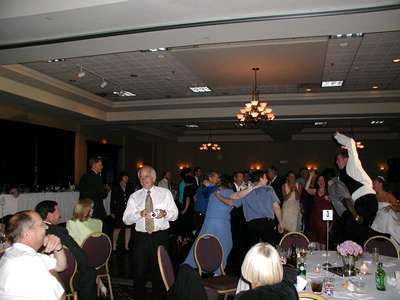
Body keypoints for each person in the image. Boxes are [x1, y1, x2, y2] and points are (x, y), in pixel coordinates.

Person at [123, 165, 178, 300]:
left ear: (153, 178)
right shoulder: (135, 196)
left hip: (160, 237)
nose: (142, 180)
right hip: (141, 238)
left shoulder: (165, 193)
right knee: (139, 272)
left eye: (146, 176)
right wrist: (139, 214)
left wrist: (164, 213)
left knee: (159, 272)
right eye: (140, 177)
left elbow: (175, 214)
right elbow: (126, 220)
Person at [331, 132, 388, 246]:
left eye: (339, 159)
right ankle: (352, 254)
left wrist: (337, 136)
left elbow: (351, 142)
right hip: (360, 202)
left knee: (350, 225)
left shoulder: (353, 165)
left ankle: (385, 239)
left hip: (367, 201)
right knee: (346, 228)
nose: (336, 162)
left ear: (346, 159)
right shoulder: (341, 175)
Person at [35, 200, 97, 300]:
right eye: (58, 212)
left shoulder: (31, 233)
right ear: (50, 215)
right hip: (62, 278)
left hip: (38, 277)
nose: (60, 215)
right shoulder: (59, 231)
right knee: (89, 272)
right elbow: (79, 254)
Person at [184, 175, 246, 272]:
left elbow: (196, 197)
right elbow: (234, 203)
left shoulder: (213, 191)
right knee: (225, 245)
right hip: (221, 223)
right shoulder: (225, 192)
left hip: (209, 221)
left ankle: (195, 266)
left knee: (203, 243)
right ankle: (217, 270)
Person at [0, 210, 66, 300]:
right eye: (42, 225)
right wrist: (51, 272)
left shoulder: (12, 252)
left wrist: (58, 247)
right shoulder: (30, 262)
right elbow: (61, 297)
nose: (46, 228)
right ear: (28, 234)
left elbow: (61, 266)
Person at [216, 170, 284, 248]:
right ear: (261, 179)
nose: (267, 180)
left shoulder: (246, 191)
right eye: (265, 177)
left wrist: (219, 196)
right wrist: (280, 223)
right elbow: (276, 207)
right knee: (269, 250)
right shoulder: (269, 189)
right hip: (266, 224)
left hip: (251, 225)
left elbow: (232, 200)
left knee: (253, 250)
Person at [305, 172, 332, 246]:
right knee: (313, 240)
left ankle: (323, 256)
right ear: (317, 182)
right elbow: (306, 188)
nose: (321, 182)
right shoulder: (315, 191)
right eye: (319, 180)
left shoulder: (330, 191)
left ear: (325, 182)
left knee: (323, 240)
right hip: (314, 218)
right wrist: (310, 176)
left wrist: (331, 198)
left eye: (322, 180)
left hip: (324, 219)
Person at [371, 176, 400, 244]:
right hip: (377, 218)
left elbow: (398, 208)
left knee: (386, 214)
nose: (373, 185)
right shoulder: (373, 197)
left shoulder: (388, 195)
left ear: (380, 184)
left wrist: (391, 207)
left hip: (389, 218)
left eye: (374, 183)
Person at [78, 156, 109, 221]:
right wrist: (107, 190)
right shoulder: (97, 178)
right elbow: (102, 195)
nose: (102, 167)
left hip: (84, 208)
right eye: (100, 165)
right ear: (94, 165)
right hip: (95, 210)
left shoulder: (84, 176)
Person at [111, 172, 134, 251]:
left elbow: (133, 197)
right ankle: (114, 244)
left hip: (128, 210)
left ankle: (126, 245)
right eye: (125, 177)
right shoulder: (116, 186)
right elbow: (112, 200)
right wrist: (112, 211)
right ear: (121, 177)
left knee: (128, 228)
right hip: (119, 210)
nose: (126, 178)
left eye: (127, 177)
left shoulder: (130, 186)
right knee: (117, 227)